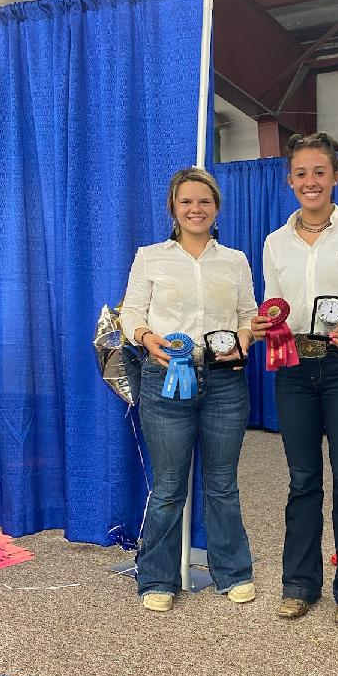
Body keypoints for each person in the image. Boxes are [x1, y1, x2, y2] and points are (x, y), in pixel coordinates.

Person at [251, 132, 338, 626]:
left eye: (319, 172)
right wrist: (264, 322)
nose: (311, 182)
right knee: (302, 479)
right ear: (289, 181)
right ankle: (300, 584)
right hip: (292, 367)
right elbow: (271, 300)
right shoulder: (274, 243)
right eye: (301, 174)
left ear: (336, 176)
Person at [120, 167, 257, 612]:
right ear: (173, 209)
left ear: (216, 207)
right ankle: (156, 577)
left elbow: (247, 313)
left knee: (222, 485)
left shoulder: (234, 260)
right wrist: (145, 337)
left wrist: (243, 340)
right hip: (166, 380)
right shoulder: (149, 257)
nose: (196, 209)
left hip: (225, 382)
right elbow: (131, 312)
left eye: (204, 201)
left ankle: (232, 572)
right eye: (187, 202)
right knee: (168, 487)